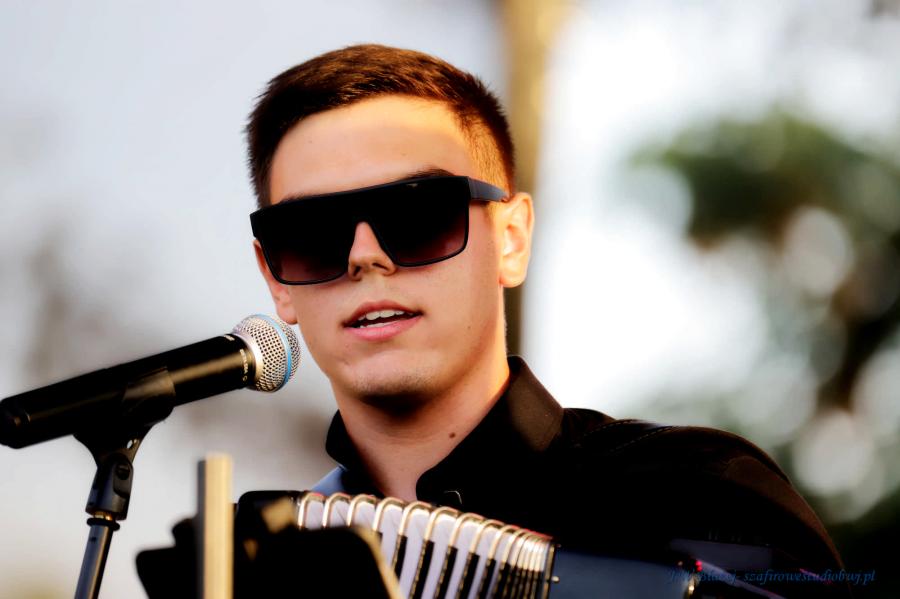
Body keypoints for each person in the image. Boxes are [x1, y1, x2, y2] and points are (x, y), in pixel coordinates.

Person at [139, 44, 849, 597]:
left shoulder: (705, 496)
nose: (364, 256)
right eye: (313, 235)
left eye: (416, 215)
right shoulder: (245, 569)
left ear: (511, 239)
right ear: (276, 280)